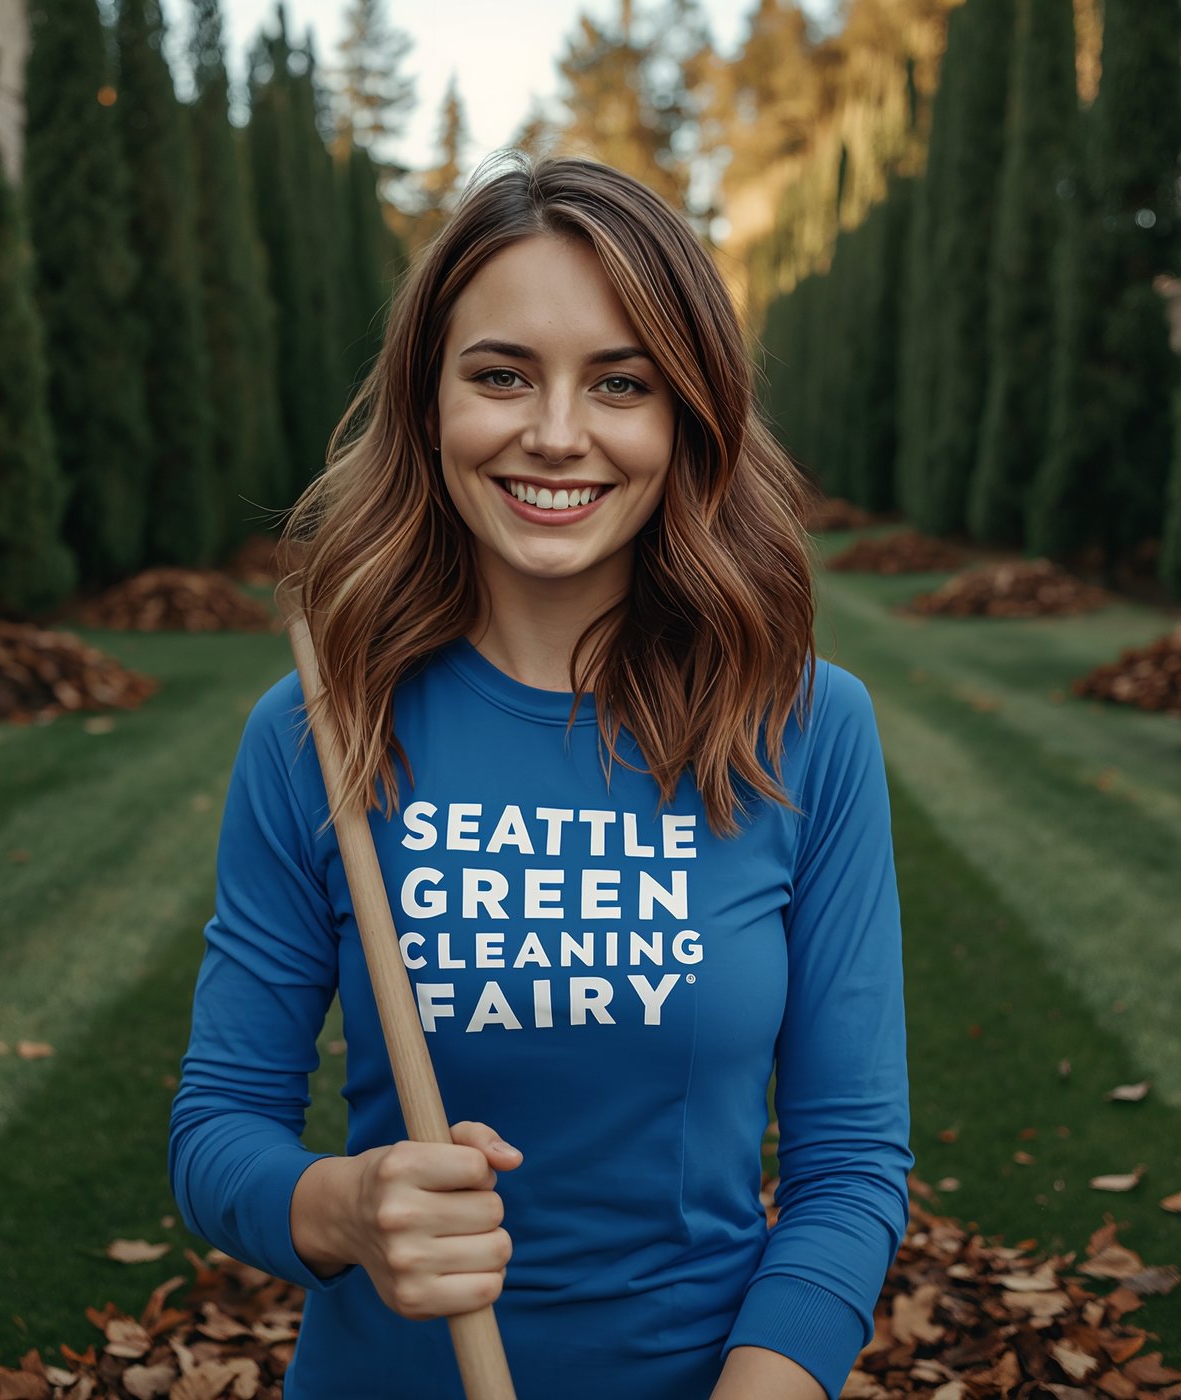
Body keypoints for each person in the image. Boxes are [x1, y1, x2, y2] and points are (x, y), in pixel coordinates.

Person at [166, 153, 911, 1400]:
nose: (555, 433)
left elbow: (848, 1164)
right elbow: (216, 1130)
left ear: (687, 416)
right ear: (428, 400)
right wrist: (345, 1204)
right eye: (501, 374)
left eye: (620, 383)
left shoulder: (805, 727)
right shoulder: (319, 729)